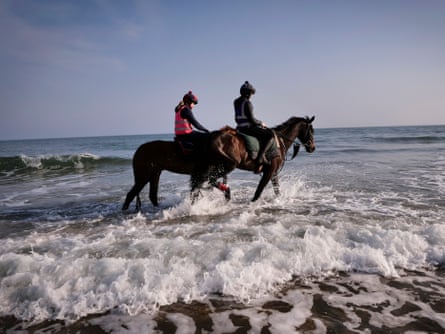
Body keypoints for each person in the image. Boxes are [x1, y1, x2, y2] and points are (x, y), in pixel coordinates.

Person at [234, 81, 274, 171]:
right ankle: (260, 157)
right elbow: (252, 120)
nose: (252, 95)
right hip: (248, 128)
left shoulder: (236, 101)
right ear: (248, 93)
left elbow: (236, 118)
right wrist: (261, 123)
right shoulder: (247, 103)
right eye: (251, 93)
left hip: (239, 127)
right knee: (270, 135)